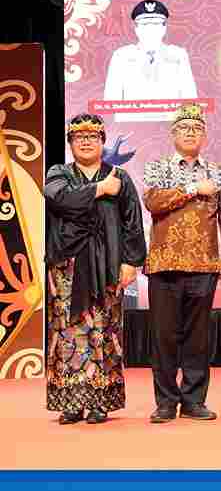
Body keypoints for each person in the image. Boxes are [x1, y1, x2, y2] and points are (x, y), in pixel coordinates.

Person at [45, 113, 146, 424]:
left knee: (104, 329)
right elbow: (60, 199)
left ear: (102, 142)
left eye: (92, 137)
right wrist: (100, 189)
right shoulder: (59, 173)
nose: (86, 142)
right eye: (79, 137)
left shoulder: (119, 176)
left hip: (108, 264)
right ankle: (70, 402)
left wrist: (131, 261)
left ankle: (100, 400)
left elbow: (132, 220)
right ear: (71, 143)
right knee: (67, 330)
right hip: (67, 265)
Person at [142, 103, 221, 423]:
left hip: (204, 265)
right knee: (164, 336)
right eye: (183, 128)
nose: (190, 133)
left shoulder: (219, 172)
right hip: (164, 264)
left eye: (196, 128)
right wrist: (194, 188)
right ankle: (166, 402)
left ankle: (194, 400)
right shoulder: (157, 167)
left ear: (205, 136)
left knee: (197, 338)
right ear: (173, 134)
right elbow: (153, 203)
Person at [104, 0, 197, 103]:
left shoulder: (178, 55)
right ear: (136, 28)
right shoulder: (121, 56)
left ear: (164, 28)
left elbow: (189, 95)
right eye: (145, 25)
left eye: (156, 24)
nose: (150, 30)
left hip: (170, 113)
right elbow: (111, 98)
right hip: (132, 113)